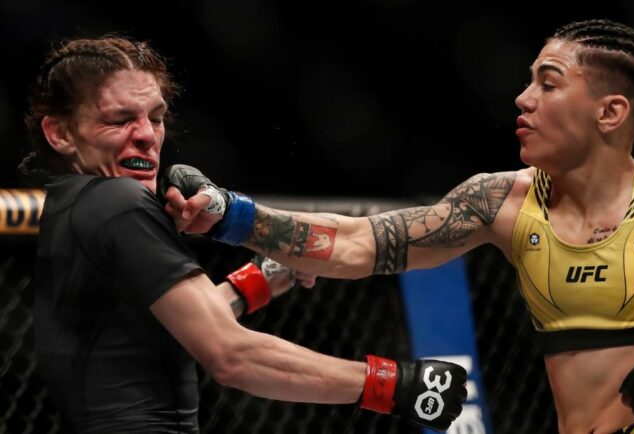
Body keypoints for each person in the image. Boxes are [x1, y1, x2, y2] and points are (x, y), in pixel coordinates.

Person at [163, 19, 634, 433]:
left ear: (610, 112)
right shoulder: (500, 201)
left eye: (548, 83)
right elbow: (359, 242)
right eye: (528, 80)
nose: (523, 98)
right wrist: (231, 215)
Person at [20, 35, 467, 433]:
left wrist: (266, 276)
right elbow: (232, 356)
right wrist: (392, 385)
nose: (146, 137)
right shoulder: (118, 202)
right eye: (120, 120)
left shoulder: (72, 206)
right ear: (60, 132)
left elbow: (182, 328)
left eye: (155, 117)